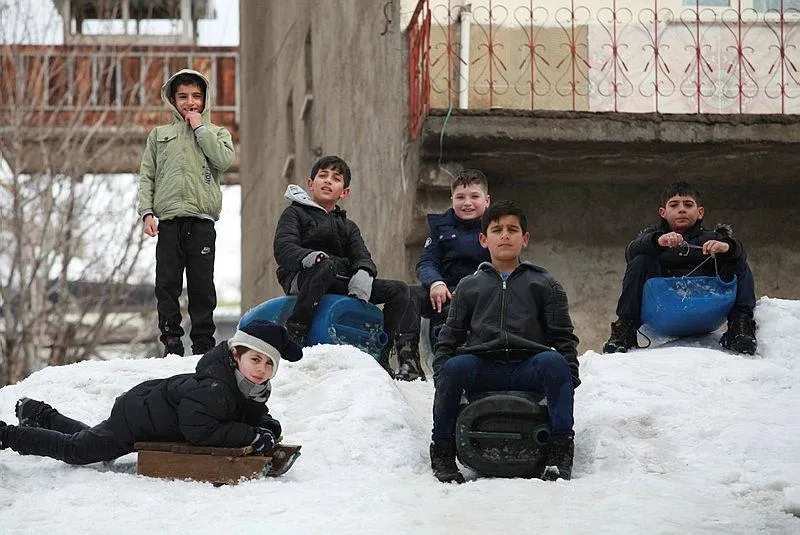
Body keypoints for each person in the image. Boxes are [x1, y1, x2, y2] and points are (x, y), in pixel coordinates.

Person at [0, 320, 302, 465]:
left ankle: (37, 413)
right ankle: (7, 435)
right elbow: (201, 431)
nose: (261, 369)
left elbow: (255, 414)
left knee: (89, 438)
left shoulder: (246, 385)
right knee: (78, 451)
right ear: (236, 355)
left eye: (268, 364)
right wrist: (250, 437)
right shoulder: (216, 386)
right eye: (255, 360)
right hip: (137, 419)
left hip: (147, 412)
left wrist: (267, 428)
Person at [430, 200, 580, 483]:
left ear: (524, 239)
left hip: (528, 367)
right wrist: (441, 374)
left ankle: (560, 451)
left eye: (513, 230)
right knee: (454, 367)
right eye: (497, 230)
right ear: (484, 239)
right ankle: (443, 449)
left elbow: (562, 336)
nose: (505, 235)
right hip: (484, 366)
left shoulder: (544, 283)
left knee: (554, 361)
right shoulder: (468, 285)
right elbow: (449, 337)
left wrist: (568, 375)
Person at [273, 155, 414, 378]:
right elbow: (284, 247)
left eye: (336, 178)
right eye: (322, 176)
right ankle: (296, 333)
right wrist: (310, 257)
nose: (328, 181)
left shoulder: (348, 226)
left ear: (344, 192)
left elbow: (362, 256)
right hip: (303, 276)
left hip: (337, 278)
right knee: (325, 266)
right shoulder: (295, 213)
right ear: (311, 184)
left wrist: (363, 273)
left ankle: (382, 351)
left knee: (399, 289)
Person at [137, 68, 235, 358]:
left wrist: (200, 129)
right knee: (167, 283)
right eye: (182, 97)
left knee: (202, 284)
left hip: (202, 221)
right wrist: (146, 212)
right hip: (168, 222)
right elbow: (147, 175)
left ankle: (203, 341)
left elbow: (224, 160)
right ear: (172, 100)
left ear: (205, 100)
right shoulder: (160, 135)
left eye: (196, 96)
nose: (189, 102)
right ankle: (171, 340)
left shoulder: (217, 133)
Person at [603, 181, 757, 355]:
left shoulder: (714, 237)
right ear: (663, 213)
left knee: (736, 261)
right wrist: (658, 242)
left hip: (708, 308)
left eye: (688, 204)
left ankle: (740, 326)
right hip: (663, 309)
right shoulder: (653, 237)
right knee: (640, 262)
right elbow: (631, 252)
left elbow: (741, 252)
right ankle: (626, 328)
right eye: (674, 205)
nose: (681, 209)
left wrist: (726, 247)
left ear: (700, 213)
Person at [397, 169, 491, 382]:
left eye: (474, 196)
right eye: (460, 197)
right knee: (408, 294)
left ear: (486, 200)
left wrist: (470, 289)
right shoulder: (441, 228)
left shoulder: (495, 227)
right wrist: (435, 283)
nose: (467, 203)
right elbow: (426, 262)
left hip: (481, 294)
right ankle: (409, 361)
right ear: (452, 199)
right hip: (443, 293)